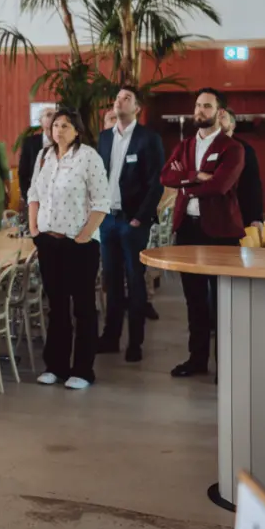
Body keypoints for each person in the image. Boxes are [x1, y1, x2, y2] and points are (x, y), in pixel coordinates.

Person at [159, 88, 246, 378]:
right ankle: (197, 359)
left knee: (221, 299)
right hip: (187, 229)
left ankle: (226, 365)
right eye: (198, 105)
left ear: (220, 113)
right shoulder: (184, 145)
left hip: (220, 231)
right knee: (193, 298)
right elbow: (166, 176)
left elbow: (220, 186)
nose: (200, 111)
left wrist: (183, 181)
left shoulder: (232, 148)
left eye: (206, 106)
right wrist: (194, 176)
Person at [27, 107, 111, 389]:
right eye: (56, 125)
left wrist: (84, 237)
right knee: (57, 307)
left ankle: (83, 370)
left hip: (79, 244)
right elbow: (33, 195)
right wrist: (34, 231)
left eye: (65, 125)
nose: (59, 130)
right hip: (48, 242)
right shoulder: (44, 157)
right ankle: (56, 366)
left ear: (77, 130)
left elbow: (101, 203)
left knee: (83, 308)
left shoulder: (88, 157)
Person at [96, 86, 165, 363]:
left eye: (126, 98)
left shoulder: (148, 138)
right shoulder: (104, 138)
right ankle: (111, 337)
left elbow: (156, 183)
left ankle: (135, 342)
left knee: (135, 282)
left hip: (132, 221)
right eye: (117, 98)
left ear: (137, 108)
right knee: (111, 282)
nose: (119, 101)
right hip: (108, 220)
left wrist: (140, 217)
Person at [219, 110, 265, 228]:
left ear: (232, 125)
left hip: (239, 212)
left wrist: (255, 217)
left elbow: (253, 185)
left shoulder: (245, 149)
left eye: (223, 118)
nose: (219, 122)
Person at [17, 106, 55, 204]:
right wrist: (27, 198)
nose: (53, 118)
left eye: (55, 115)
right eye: (49, 115)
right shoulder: (30, 143)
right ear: (40, 121)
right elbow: (23, 173)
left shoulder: (64, 143)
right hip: (36, 198)